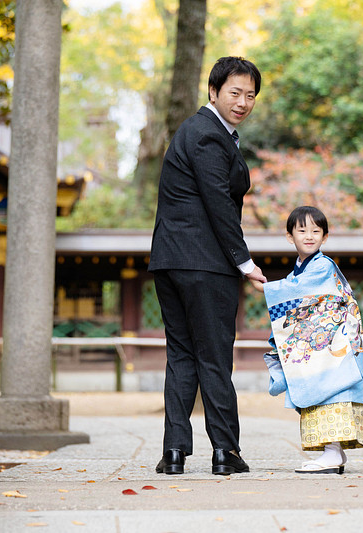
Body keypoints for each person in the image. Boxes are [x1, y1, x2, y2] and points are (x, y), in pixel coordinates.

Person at [148, 56, 267, 475]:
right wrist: (244, 261)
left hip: (170, 261)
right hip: (205, 263)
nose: (243, 101)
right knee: (214, 356)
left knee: (181, 355)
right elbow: (219, 201)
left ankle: (175, 452)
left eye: (250, 95)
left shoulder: (201, 132)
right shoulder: (207, 134)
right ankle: (225, 452)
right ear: (213, 92)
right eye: (235, 92)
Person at [253, 206, 363, 474]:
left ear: (324, 237)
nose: (309, 236)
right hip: (324, 343)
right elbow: (296, 297)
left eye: (316, 231)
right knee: (324, 392)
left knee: (331, 392)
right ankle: (333, 451)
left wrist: (266, 288)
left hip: (333, 345)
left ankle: (331, 453)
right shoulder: (301, 270)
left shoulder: (322, 266)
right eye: (301, 230)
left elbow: (297, 292)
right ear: (289, 236)